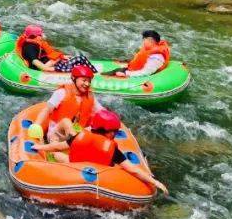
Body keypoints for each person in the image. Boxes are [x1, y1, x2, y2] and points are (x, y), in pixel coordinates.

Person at [30, 110, 169, 195]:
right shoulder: (112, 148)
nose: (114, 134)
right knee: (119, 167)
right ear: (105, 131)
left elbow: (59, 147)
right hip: (100, 177)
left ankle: (46, 149)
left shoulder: (80, 137)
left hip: (75, 170)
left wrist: (40, 148)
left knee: (57, 155)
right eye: (113, 132)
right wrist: (154, 182)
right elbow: (132, 169)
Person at [36, 65, 103, 141]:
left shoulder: (90, 97)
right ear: (74, 78)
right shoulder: (61, 93)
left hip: (78, 134)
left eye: (89, 81)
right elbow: (46, 110)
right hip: (57, 134)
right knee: (66, 122)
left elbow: (101, 112)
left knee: (97, 127)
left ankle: (78, 143)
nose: (87, 84)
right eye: (84, 80)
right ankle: (72, 143)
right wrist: (37, 124)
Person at [15, 25, 95, 73]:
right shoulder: (30, 48)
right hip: (49, 67)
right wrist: (53, 66)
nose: (42, 36)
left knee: (79, 59)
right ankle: (95, 75)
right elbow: (40, 65)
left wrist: (61, 57)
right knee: (81, 59)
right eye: (40, 34)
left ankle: (92, 72)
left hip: (53, 62)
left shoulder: (33, 43)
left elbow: (47, 54)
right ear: (35, 36)